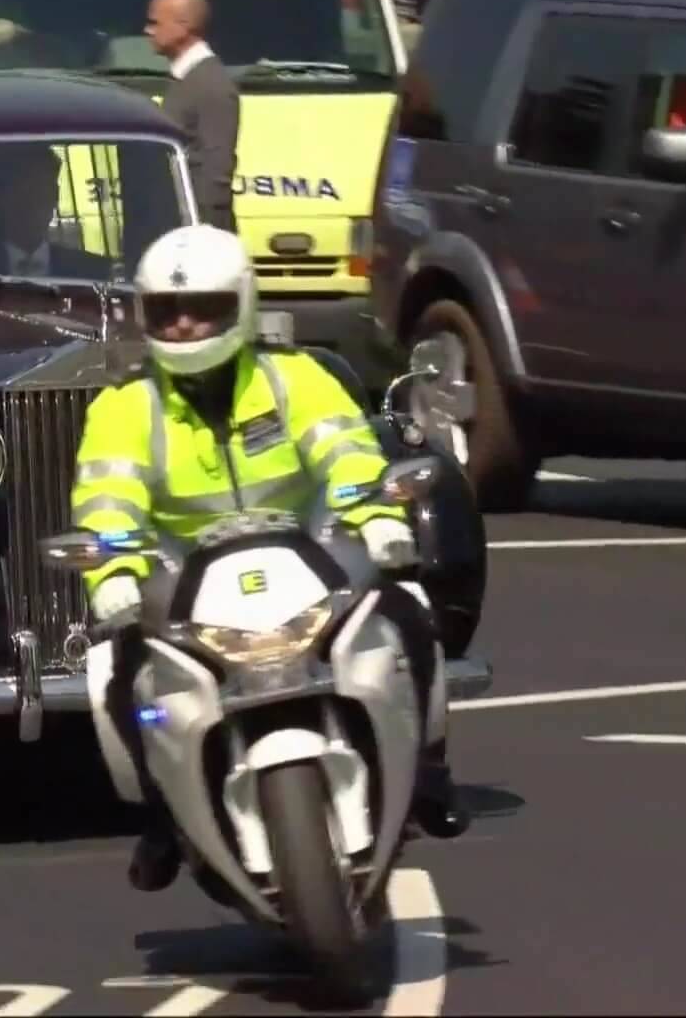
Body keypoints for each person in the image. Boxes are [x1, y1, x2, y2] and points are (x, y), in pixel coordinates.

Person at [69, 224, 466, 893]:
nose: (188, 324)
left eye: (206, 308)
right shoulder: (124, 407)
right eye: (168, 311)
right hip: (183, 580)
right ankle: (163, 818)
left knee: (412, 614)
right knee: (117, 674)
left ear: (243, 305)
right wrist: (111, 578)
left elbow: (349, 457)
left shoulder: (295, 378)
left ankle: (428, 770)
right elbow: (106, 501)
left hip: (310, 556)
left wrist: (377, 522)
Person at [146, 0, 238, 232]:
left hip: (200, 232)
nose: (148, 30)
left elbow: (216, 168)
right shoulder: (188, 79)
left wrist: (202, 235)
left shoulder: (210, 84)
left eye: (155, 23)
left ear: (183, 26)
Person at [0, 147, 112, 279]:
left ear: (56, 196)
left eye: (41, 191)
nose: (33, 205)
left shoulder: (93, 271)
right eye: (23, 193)